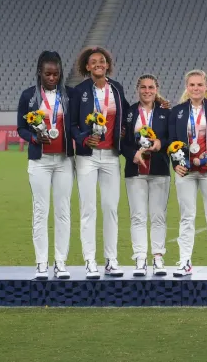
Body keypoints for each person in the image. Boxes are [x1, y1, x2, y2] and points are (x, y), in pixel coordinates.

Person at [70, 46, 128, 279]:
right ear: (87, 66)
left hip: (112, 157)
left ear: (107, 64)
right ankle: (89, 260)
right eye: (93, 62)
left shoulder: (117, 88)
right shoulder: (80, 91)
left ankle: (111, 260)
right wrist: (84, 138)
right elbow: (72, 125)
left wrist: (160, 103)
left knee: (111, 208)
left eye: (102, 61)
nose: (98, 64)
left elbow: (129, 113)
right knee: (88, 209)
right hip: (88, 158)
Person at [17, 51, 75, 280]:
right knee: (40, 211)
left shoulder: (68, 95)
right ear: (39, 72)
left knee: (63, 212)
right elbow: (20, 128)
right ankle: (41, 263)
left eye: (56, 73)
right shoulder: (28, 97)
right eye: (48, 73)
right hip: (39, 162)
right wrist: (33, 138)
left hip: (63, 161)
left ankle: (60, 262)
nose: (52, 77)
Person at [169, 70, 207, 277]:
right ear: (187, 87)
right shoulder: (177, 112)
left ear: (206, 86)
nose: (196, 88)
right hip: (185, 171)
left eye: (199, 85)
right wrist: (176, 163)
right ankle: (185, 261)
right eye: (192, 85)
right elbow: (171, 141)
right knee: (187, 217)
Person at [121, 74, 170, 277]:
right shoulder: (129, 113)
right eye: (143, 87)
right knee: (138, 216)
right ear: (138, 89)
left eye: (151, 87)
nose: (147, 91)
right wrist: (132, 155)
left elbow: (173, 139)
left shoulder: (166, 113)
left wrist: (160, 144)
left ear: (156, 89)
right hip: (135, 172)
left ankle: (158, 256)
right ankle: (140, 257)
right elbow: (121, 142)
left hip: (159, 169)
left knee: (158, 216)